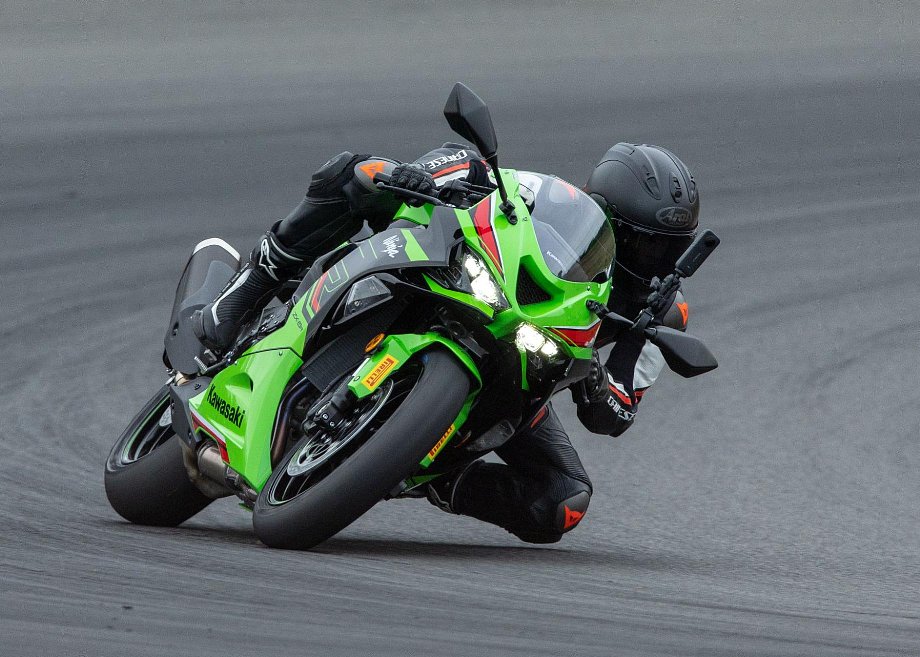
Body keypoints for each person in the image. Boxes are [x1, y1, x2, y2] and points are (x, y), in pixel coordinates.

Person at [192, 141, 700, 543]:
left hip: (522, 370)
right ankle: (252, 284)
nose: (651, 256)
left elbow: (613, 414)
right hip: (455, 288)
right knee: (352, 172)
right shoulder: (545, 202)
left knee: (563, 500)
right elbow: (473, 170)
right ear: (601, 211)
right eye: (640, 239)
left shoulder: (662, 308)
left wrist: (597, 383)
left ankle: (437, 475)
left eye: (667, 247)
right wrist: (418, 175)